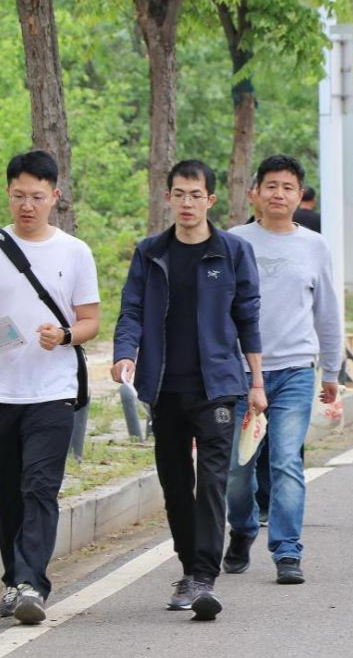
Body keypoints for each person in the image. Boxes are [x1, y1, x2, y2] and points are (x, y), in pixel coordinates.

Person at [111, 159, 263, 621]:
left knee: (212, 482)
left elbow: (248, 318)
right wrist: (125, 353)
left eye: (196, 195)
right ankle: (189, 568)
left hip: (218, 387)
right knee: (176, 484)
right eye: (179, 194)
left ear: (210, 200)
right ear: (168, 198)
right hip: (164, 387)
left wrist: (256, 382)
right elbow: (131, 309)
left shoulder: (232, 251)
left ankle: (203, 576)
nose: (187, 202)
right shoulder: (150, 252)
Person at [0, 150, 101, 625]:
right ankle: (14, 581)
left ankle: (31, 584)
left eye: (37, 196)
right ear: (8, 193)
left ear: (55, 196)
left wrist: (65, 335)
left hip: (53, 391)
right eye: (19, 195)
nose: (27, 205)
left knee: (40, 487)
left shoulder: (75, 251)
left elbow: (91, 320)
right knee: (7, 493)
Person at [224, 155, 343, 586]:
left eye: (288, 187)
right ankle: (242, 529)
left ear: (299, 195)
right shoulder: (233, 242)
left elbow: (327, 312)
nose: (279, 194)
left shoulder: (315, 246)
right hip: (239, 373)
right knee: (238, 470)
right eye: (271, 186)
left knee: (286, 460)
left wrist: (332, 371)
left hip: (295, 371)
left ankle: (287, 550)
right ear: (254, 192)